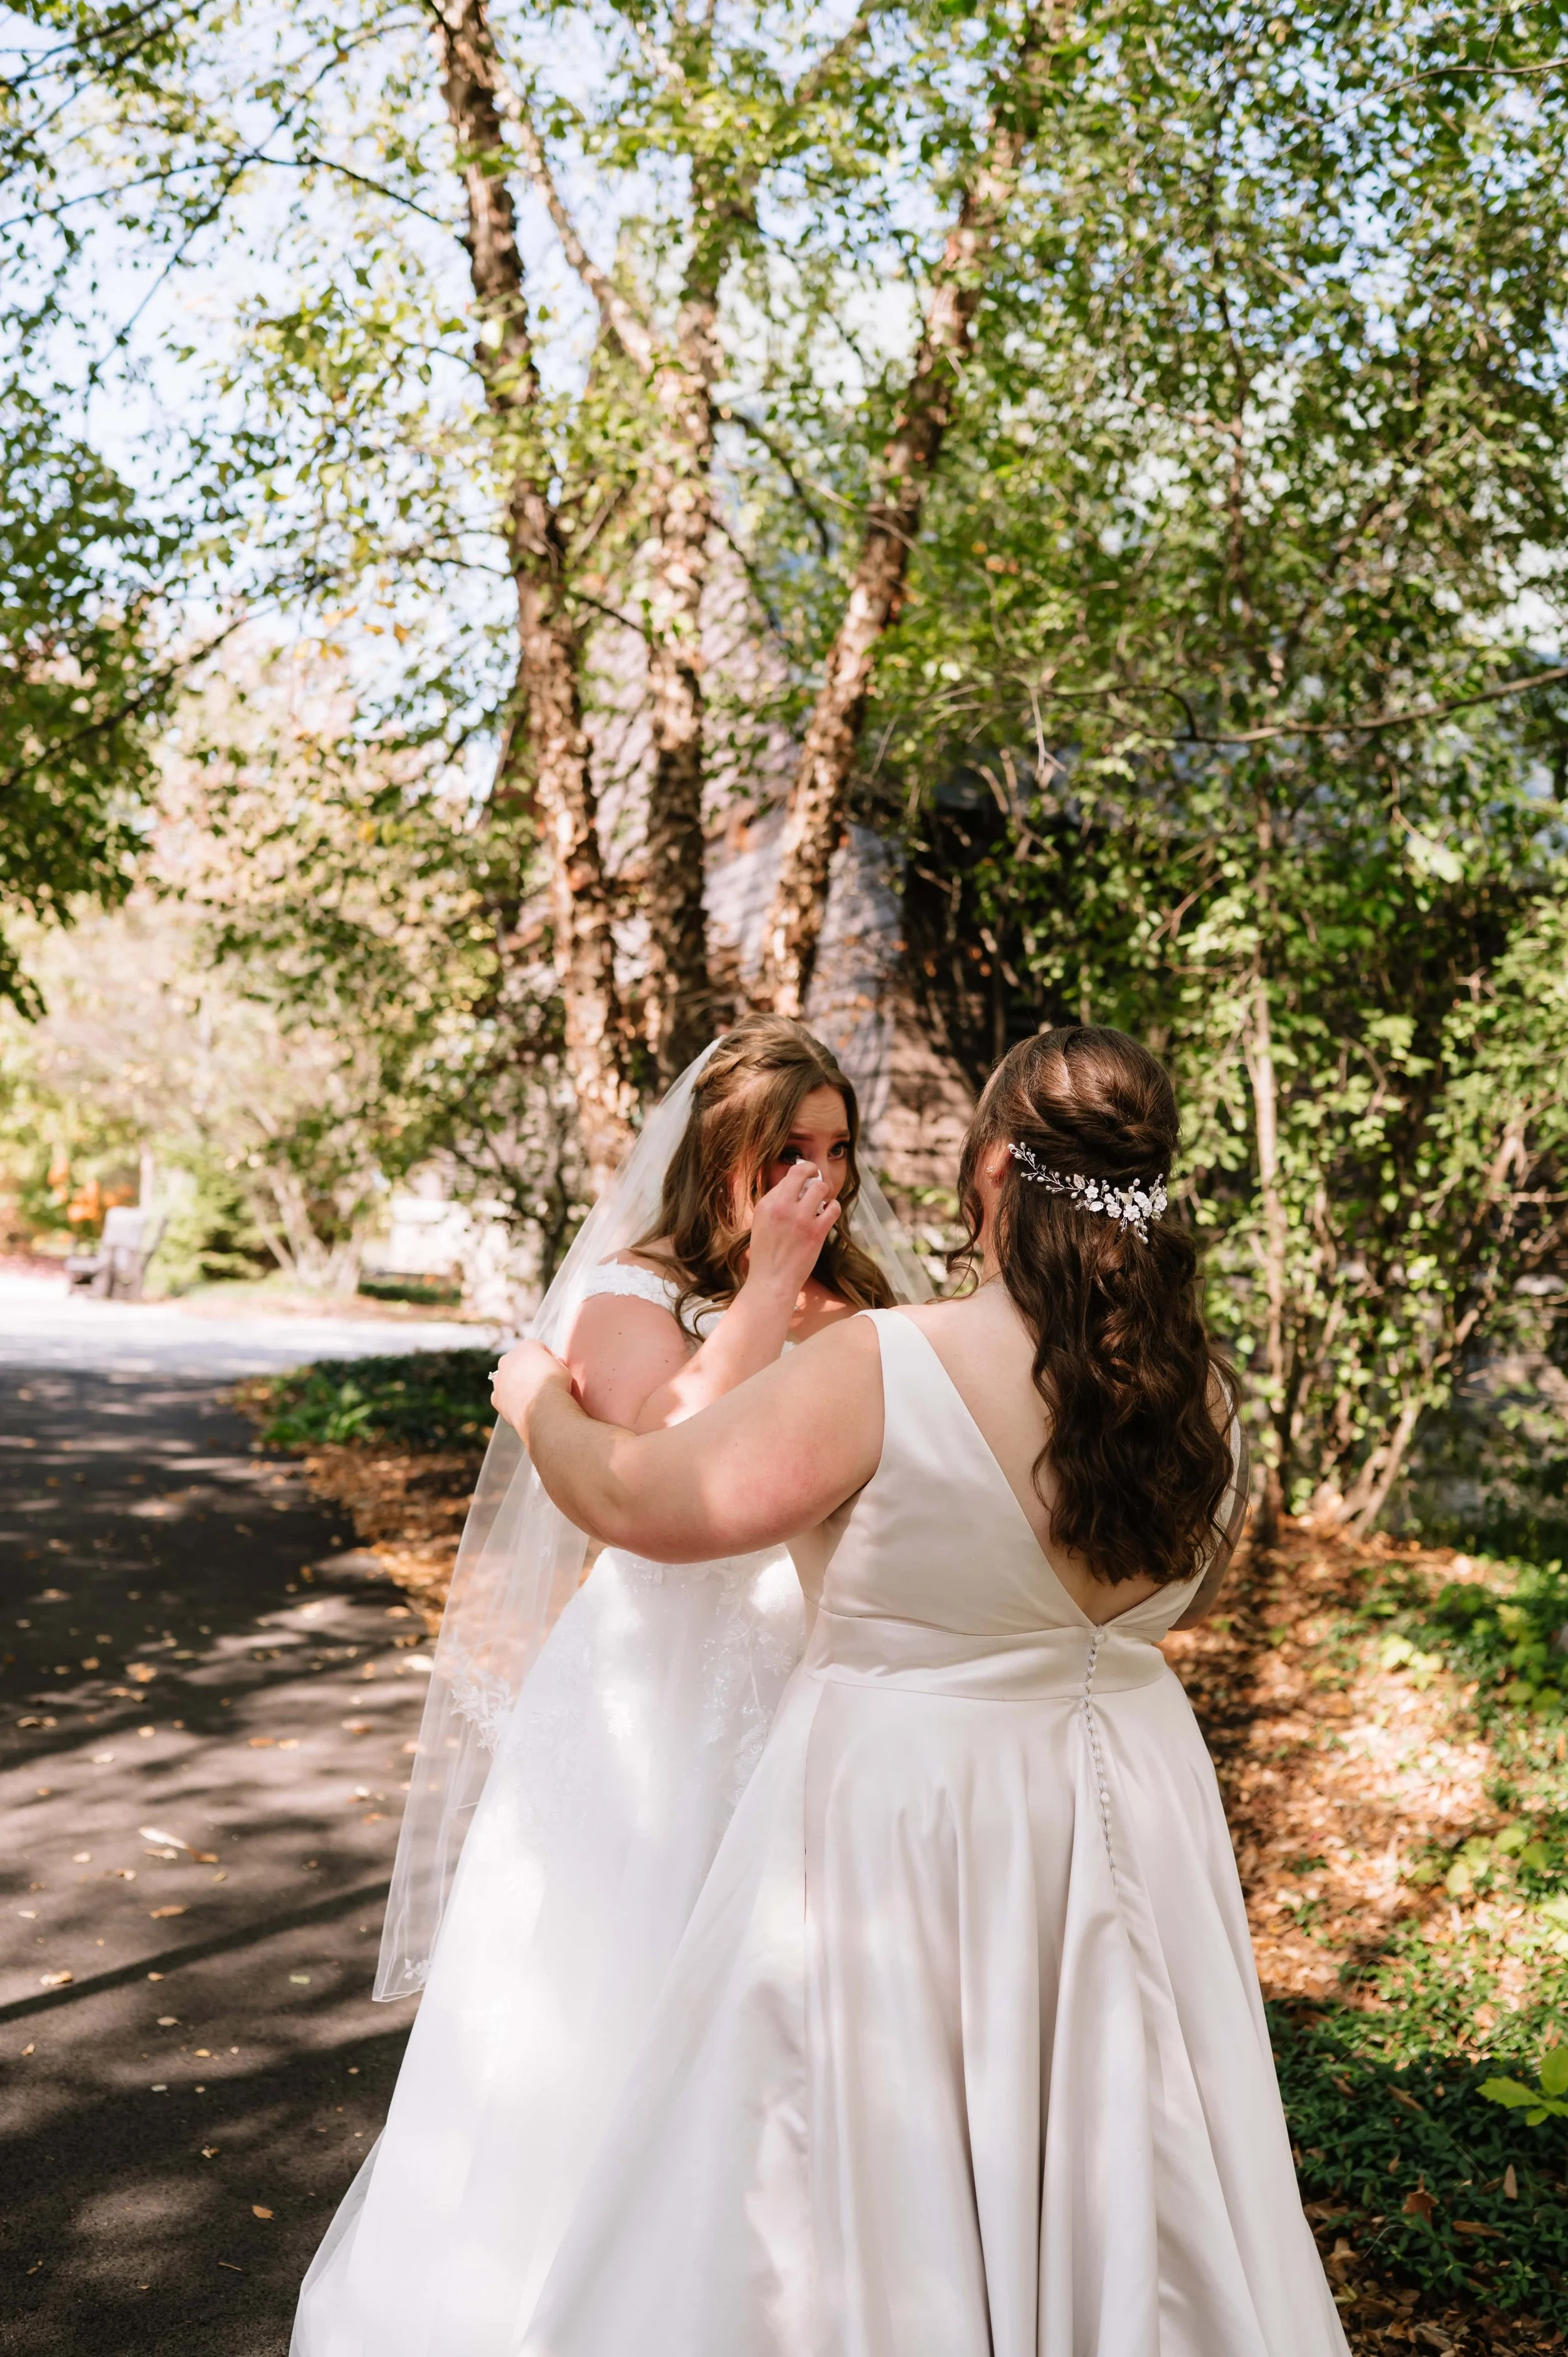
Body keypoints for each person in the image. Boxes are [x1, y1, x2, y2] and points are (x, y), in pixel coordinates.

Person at [495, 1024, 1348, 2357]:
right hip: (1132, 1797)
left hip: (907, 1814)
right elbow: (1182, 1596)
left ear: (993, 1166)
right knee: (1128, 2145)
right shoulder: (1201, 1398)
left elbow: (636, 1501)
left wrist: (536, 1400)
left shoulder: (884, 1362)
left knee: (857, 2180)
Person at [292, 1016, 928, 2357]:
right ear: (719, 1163)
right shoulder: (633, 1296)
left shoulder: (862, 1308)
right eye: (784, 1156)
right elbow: (659, 1478)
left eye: (835, 1151)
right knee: (601, 2002)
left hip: (806, 1679)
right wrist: (761, 1291)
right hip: (651, 1692)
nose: (819, 1182)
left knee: (776, 2016)